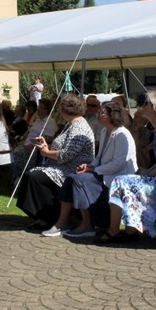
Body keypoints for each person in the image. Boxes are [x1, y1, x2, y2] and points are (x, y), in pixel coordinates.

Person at [95, 89, 156, 245]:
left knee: (120, 182)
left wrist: (149, 174)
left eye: (145, 103)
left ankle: (116, 231)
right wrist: (147, 172)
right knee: (122, 181)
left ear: (155, 106)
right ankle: (128, 230)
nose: (142, 106)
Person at [42, 101, 137, 237]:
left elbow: (118, 164)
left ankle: (86, 224)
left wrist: (94, 170)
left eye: (102, 112)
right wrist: (90, 166)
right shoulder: (105, 131)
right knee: (72, 178)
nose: (98, 114)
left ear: (112, 115)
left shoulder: (122, 134)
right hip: (104, 173)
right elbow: (99, 157)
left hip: (118, 177)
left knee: (78, 180)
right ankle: (63, 222)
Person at [16, 94, 95, 229]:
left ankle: (50, 217)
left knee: (34, 177)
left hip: (71, 168)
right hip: (60, 166)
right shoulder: (70, 124)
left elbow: (67, 155)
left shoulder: (79, 127)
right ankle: (44, 216)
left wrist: (46, 152)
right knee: (32, 176)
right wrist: (46, 145)